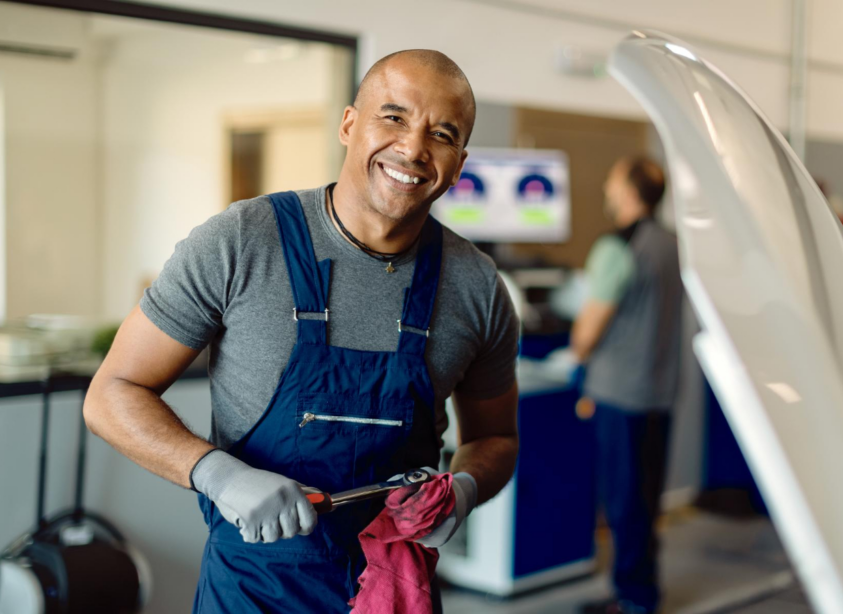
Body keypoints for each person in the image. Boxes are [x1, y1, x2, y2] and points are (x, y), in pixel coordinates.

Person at [83, 49, 520, 613]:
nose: (413, 148)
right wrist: (218, 475)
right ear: (348, 125)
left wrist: (462, 490)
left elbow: (496, 440)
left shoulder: (476, 286)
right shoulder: (241, 241)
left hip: (394, 593)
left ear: (458, 163)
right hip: (253, 593)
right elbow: (111, 394)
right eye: (393, 117)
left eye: (441, 132)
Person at [572, 156, 682, 614]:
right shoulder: (673, 244)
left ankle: (634, 599)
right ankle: (639, 589)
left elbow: (587, 333)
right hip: (661, 392)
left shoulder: (619, 247)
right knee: (646, 498)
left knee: (623, 503)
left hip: (619, 394)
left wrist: (576, 348)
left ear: (631, 192)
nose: (608, 185)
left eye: (614, 178)